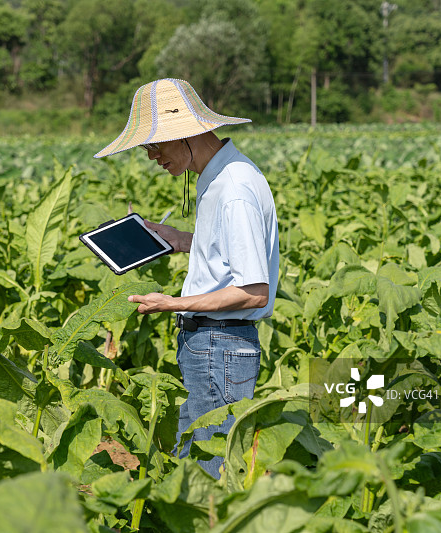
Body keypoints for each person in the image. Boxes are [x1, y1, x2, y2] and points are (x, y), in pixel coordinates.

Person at [94, 78, 279, 479]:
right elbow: (231, 253)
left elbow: (252, 291)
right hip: (212, 345)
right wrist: (179, 240)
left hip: (220, 345)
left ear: (187, 134)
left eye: (155, 145)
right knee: (192, 461)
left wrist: (171, 303)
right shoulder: (219, 176)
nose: (150, 156)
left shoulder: (234, 189)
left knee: (208, 471)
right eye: (146, 147)